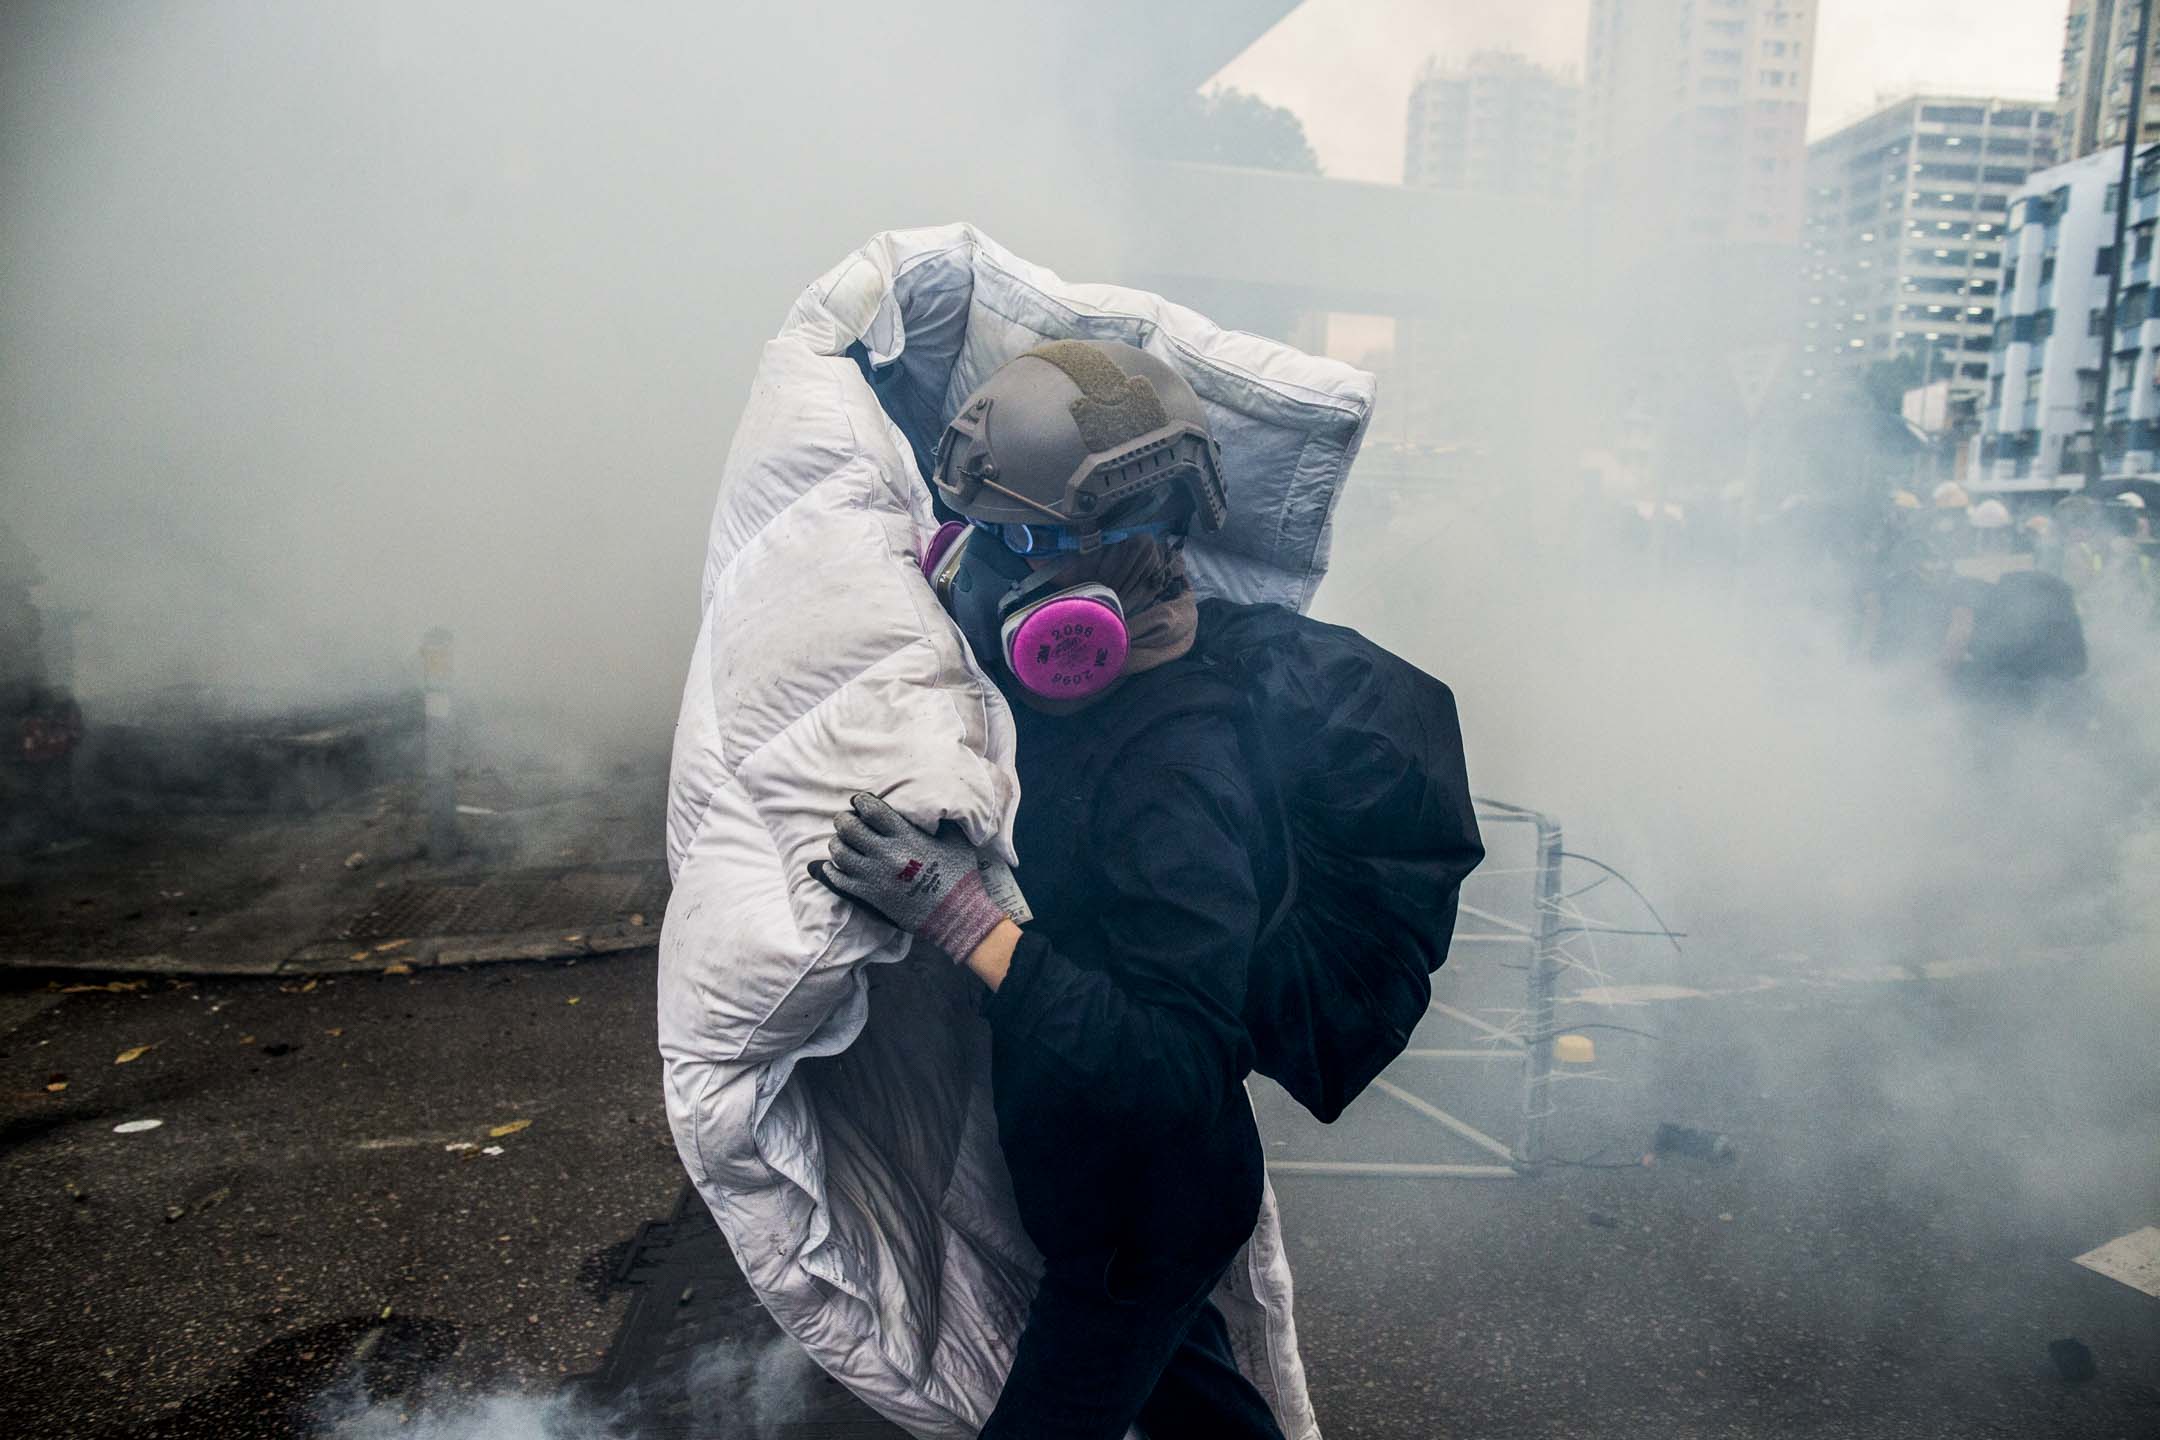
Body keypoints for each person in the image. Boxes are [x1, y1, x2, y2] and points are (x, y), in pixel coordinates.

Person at [813, 340, 1289, 1439]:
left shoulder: (1181, 779)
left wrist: (961, 918)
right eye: (987, 541)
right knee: (1200, 1412)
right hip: (1092, 1193)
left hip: (1146, 1212)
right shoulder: (1089, 704)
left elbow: (1182, 1070)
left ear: (1112, 575)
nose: (985, 572)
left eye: (1021, 547)